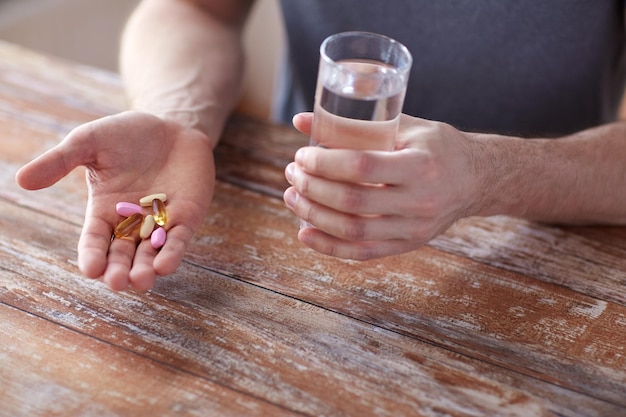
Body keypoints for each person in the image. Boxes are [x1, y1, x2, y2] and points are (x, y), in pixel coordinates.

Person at [15, 0, 626, 292]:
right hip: (292, 225)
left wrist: (487, 175)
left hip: (557, 249)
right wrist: (179, 119)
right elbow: (194, 11)